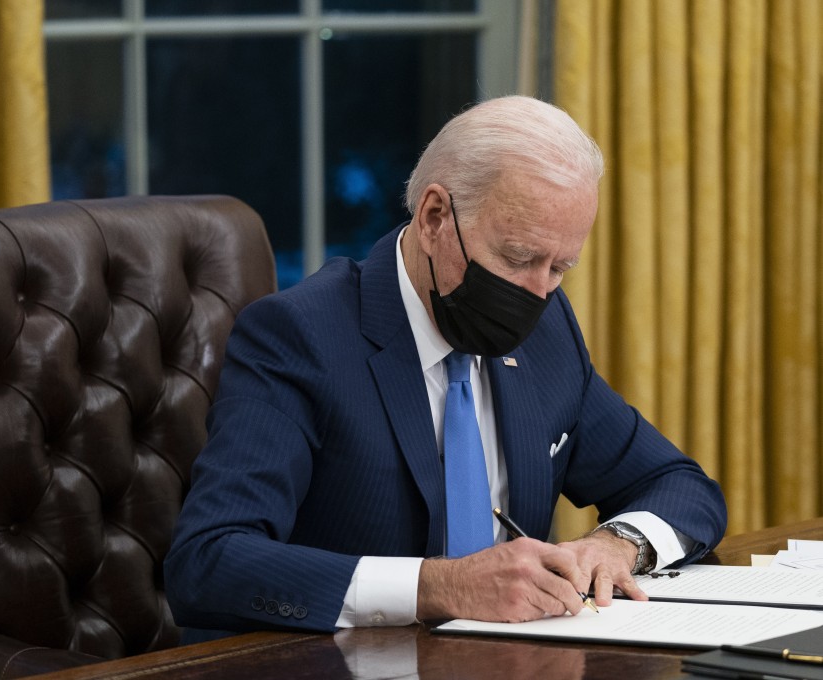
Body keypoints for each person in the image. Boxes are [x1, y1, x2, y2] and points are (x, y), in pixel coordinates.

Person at [164, 95, 727, 642]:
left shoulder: (549, 334)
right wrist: (439, 586)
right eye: (518, 258)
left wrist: (616, 543)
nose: (538, 294)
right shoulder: (299, 337)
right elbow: (208, 561)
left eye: (560, 268)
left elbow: (680, 485)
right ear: (435, 216)